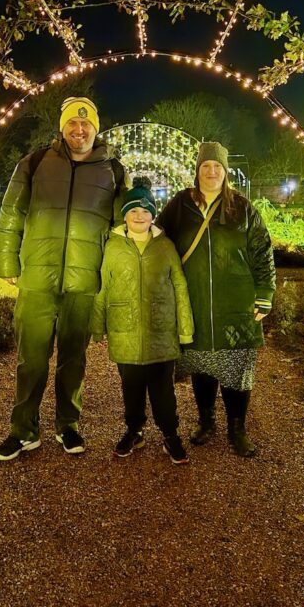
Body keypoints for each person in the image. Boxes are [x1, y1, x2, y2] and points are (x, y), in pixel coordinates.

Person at [0, 96, 126, 461]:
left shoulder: (113, 169)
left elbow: (121, 227)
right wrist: (7, 262)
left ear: (95, 128)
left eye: (86, 125)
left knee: (73, 359)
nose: (78, 130)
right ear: (62, 127)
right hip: (37, 276)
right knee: (31, 357)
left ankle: (68, 425)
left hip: (84, 281)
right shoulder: (34, 163)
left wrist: (112, 277)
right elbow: (11, 213)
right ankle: (23, 431)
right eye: (72, 124)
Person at [156, 142, 275, 457]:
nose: (211, 172)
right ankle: (207, 421)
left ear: (225, 172)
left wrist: (265, 294)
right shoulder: (180, 204)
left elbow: (262, 251)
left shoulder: (242, 208)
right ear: (197, 171)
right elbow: (158, 237)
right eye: (205, 166)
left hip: (236, 301)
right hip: (195, 299)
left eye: (217, 167)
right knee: (203, 363)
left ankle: (238, 428)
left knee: (236, 366)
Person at [91, 177, 194, 465]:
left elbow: (181, 287)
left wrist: (185, 329)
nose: (140, 216)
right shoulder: (112, 247)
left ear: (153, 215)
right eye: (134, 211)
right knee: (131, 386)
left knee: (163, 389)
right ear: (125, 215)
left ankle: (170, 433)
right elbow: (103, 286)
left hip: (161, 331)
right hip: (125, 331)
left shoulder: (165, 246)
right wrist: (97, 325)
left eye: (146, 211)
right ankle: (134, 429)